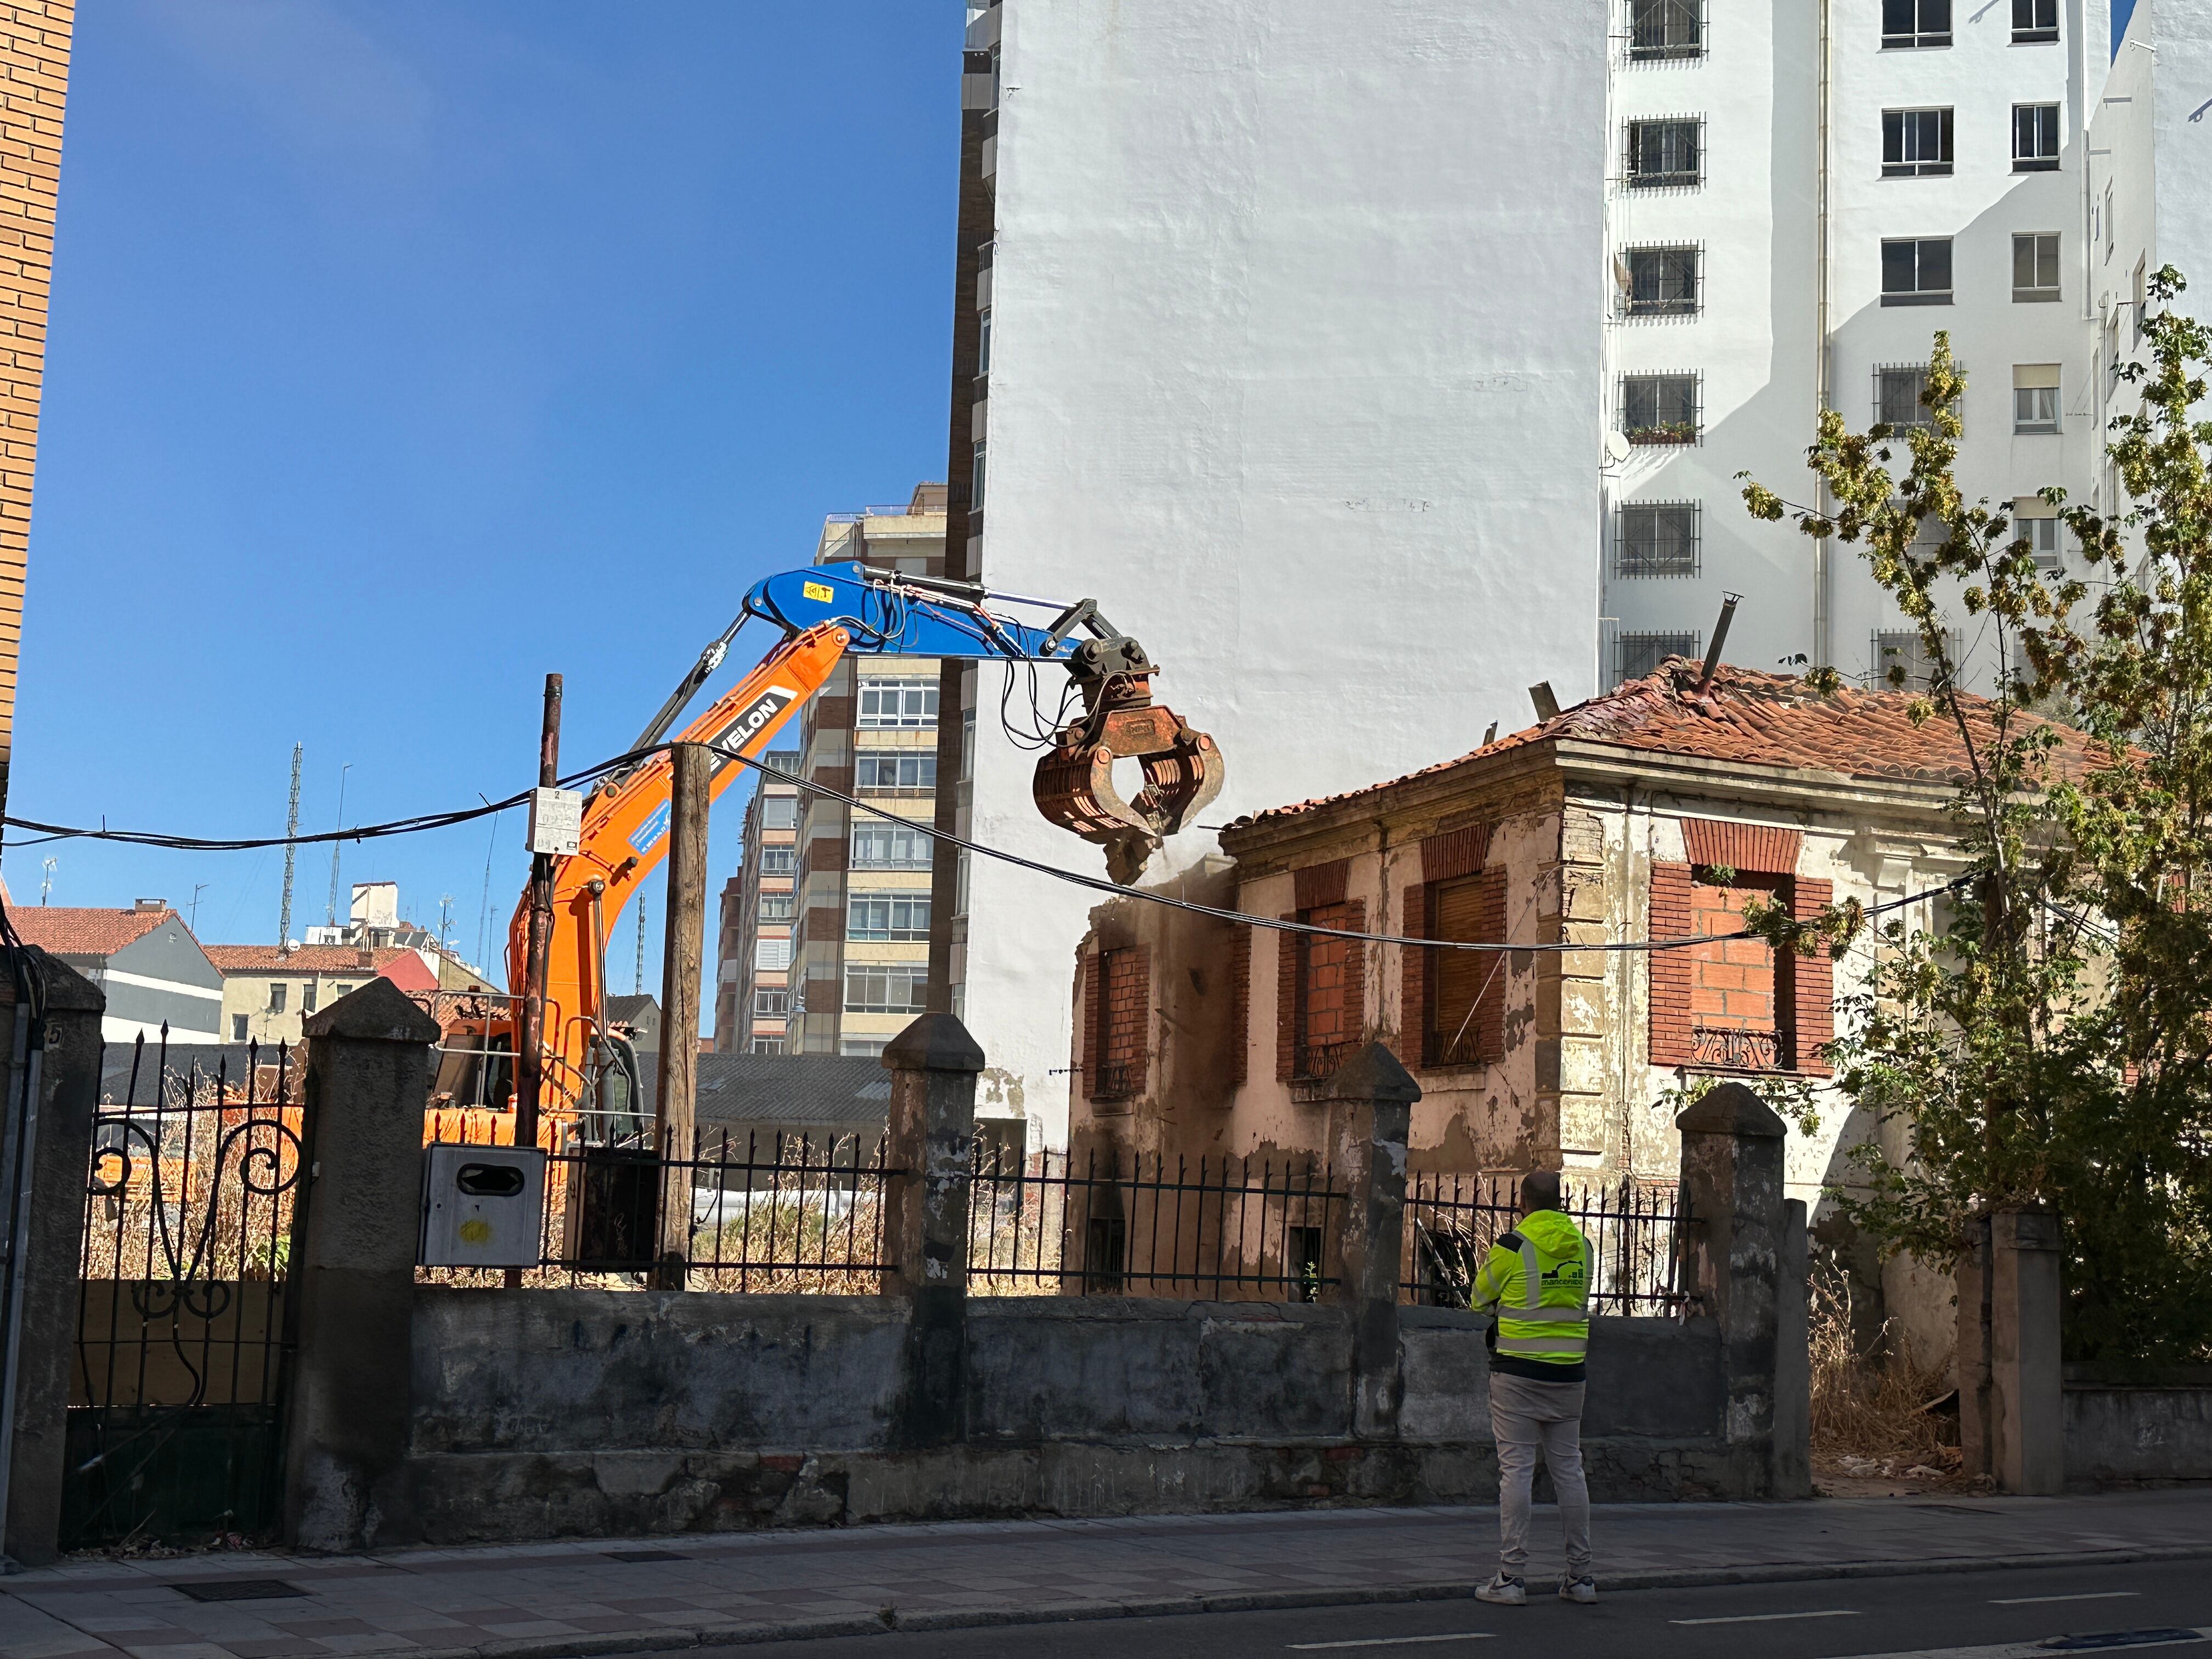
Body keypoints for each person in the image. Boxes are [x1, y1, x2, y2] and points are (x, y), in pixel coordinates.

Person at [1468, 1169, 1596, 1606]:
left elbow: (1479, 1299)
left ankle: (1511, 1578)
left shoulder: (1512, 1246)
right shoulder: (1584, 1247)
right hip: (1570, 1375)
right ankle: (1581, 1577)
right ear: (1560, 1202)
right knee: (1569, 1471)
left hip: (1518, 1374)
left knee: (1517, 1471)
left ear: (1522, 1203)